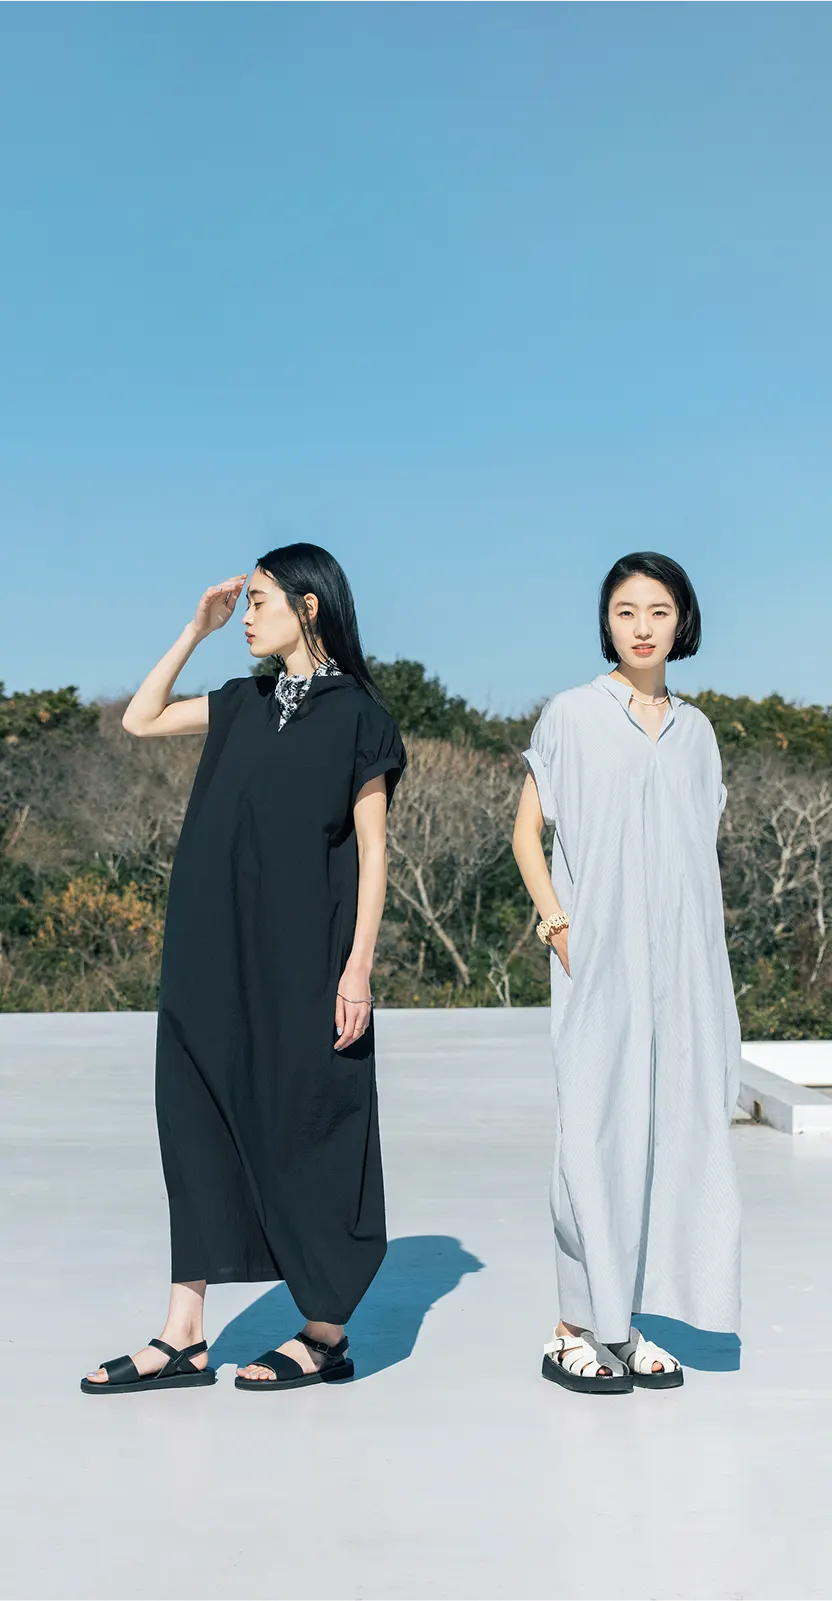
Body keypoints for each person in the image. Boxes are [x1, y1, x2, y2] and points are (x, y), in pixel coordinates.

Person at [82, 543, 406, 1395]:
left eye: (259, 601)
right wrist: (196, 628)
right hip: (207, 951)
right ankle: (183, 1334)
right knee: (192, 1119)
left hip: (305, 961)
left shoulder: (359, 716)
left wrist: (358, 967)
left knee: (311, 1122)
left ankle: (325, 1330)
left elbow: (374, 852)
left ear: (308, 606)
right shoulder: (240, 702)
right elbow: (140, 719)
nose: (247, 616)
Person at [512, 552, 741, 1394]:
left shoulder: (699, 732)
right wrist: (559, 925)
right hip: (599, 958)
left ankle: (623, 1319)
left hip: (686, 966)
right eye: (625, 611)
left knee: (667, 1132)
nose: (642, 627)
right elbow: (527, 832)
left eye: (658, 611)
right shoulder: (572, 714)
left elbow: (693, 853)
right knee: (593, 1128)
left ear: (683, 621)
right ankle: (572, 1328)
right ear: (606, 623)